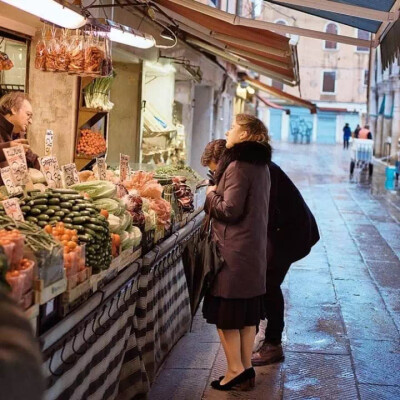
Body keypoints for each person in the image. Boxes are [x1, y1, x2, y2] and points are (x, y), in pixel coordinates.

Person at [201, 139, 320, 367]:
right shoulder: (249, 167)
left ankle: (273, 344)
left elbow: (249, 212)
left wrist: (213, 195)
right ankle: (262, 337)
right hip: (279, 232)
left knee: (268, 284)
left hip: (290, 234)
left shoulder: (256, 170)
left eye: (216, 171)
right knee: (263, 284)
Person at [202, 114, 271, 391]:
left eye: (233, 128)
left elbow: (229, 210)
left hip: (233, 252)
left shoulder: (238, 166)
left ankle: (233, 370)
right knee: (245, 317)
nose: (228, 131)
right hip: (252, 251)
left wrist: (209, 194)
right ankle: (245, 370)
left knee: (226, 316)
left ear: (244, 135)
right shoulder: (261, 165)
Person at [0, 92, 40, 184]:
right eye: (28, 114)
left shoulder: (18, 133)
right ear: (14, 109)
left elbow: (32, 159)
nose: (31, 121)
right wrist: (8, 148)